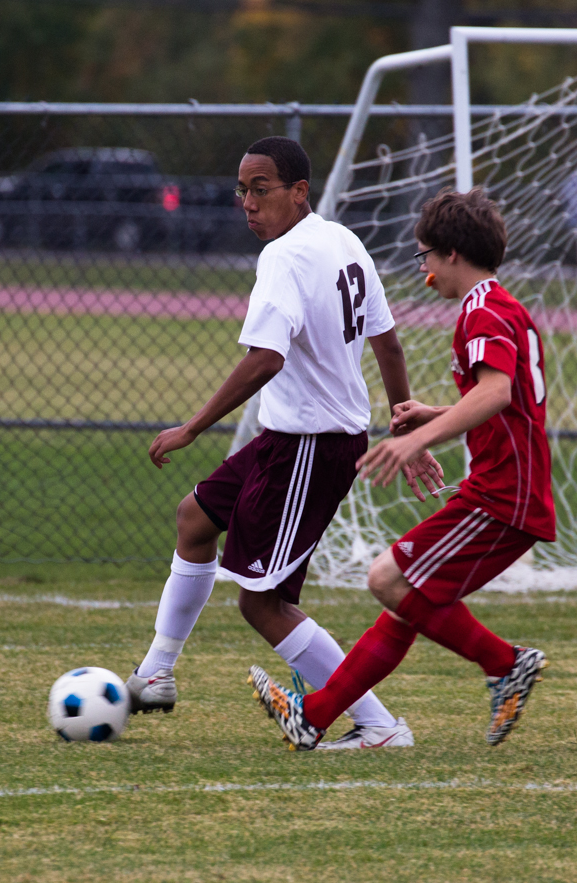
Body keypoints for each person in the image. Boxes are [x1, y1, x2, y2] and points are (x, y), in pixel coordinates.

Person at [130, 136, 443, 749]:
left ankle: (379, 725)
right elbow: (389, 344)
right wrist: (404, 423)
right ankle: (157, 672)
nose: (248, 202)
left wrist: (192, 427)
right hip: (293, 437)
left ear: (299, 192)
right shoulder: (344, 241)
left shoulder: (285, 256)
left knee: (262, 603)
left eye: (262, 189)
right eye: (242, 191)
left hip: (311, 444)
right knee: (195, 517)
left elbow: (266, 358)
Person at [249, 188, 556, 751]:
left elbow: (495, 392)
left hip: (501, 495)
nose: (424, 272)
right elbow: (513, 401)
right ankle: (314, 716)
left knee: (386, 579)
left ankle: (505, 662)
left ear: (452, 255)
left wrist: (420, 440)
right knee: (409, 605)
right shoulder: (504, 305)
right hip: (513, 492)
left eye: (425, 258)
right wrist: (436, 412)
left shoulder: (480, 312)